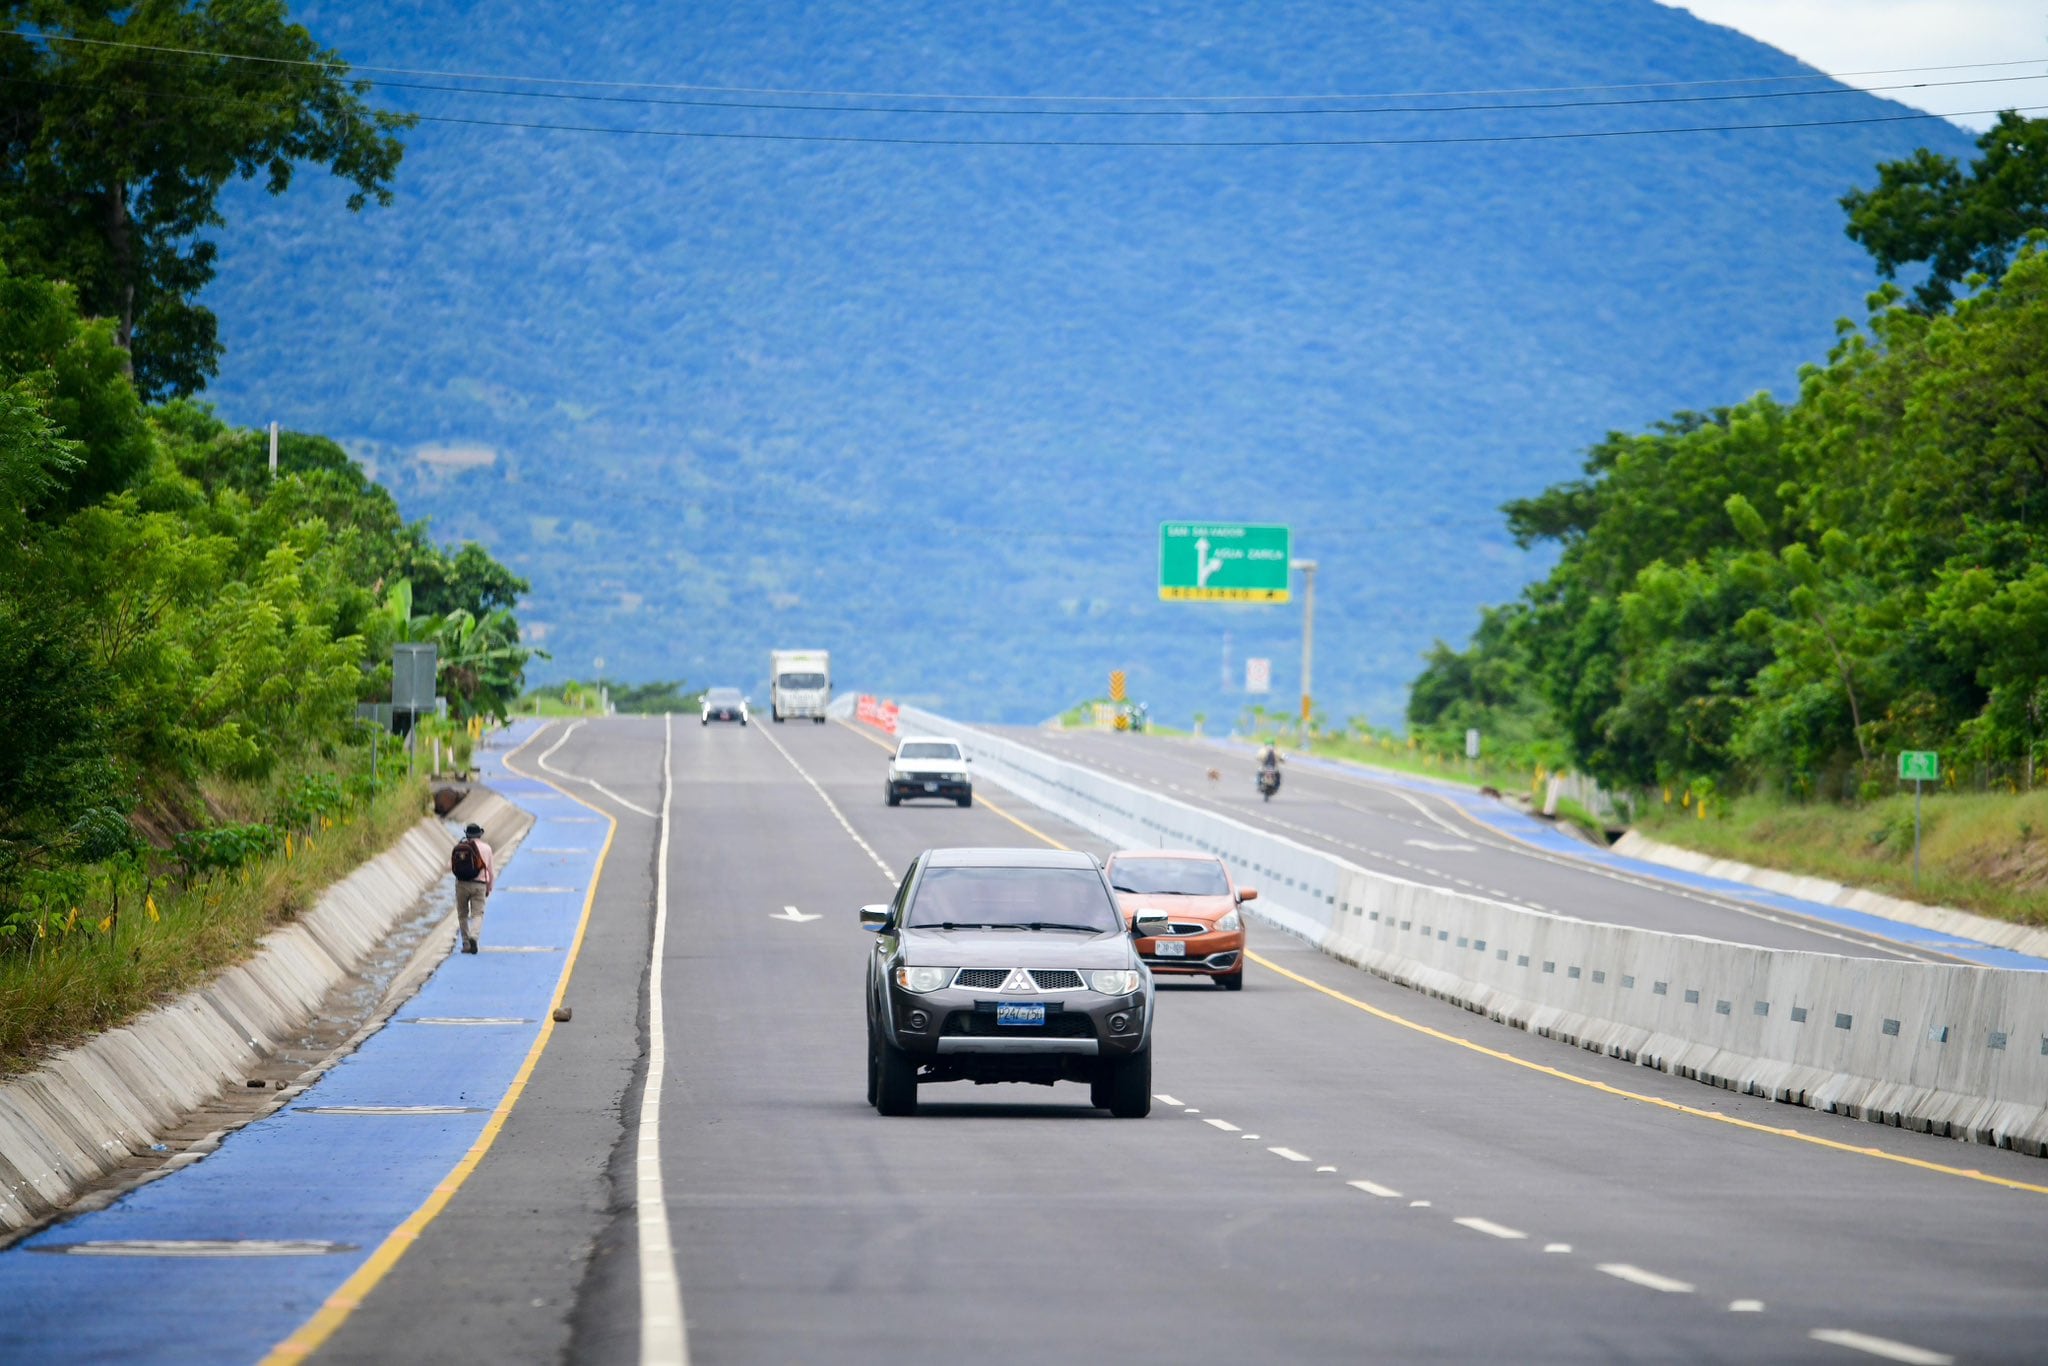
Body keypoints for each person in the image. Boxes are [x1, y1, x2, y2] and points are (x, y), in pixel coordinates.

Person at [450, 822, 495, 954]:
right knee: (477, 914)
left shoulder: (460, 847)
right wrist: (489, 888)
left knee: (462, 914)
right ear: (479, 835)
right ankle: (474, 937)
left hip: (461, 884)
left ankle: (465, 943)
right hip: (479, 885)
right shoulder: (487, 849)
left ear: (467, 835)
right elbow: (491, 872)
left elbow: (452, 866)